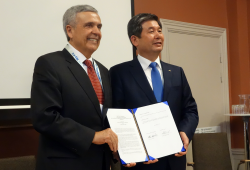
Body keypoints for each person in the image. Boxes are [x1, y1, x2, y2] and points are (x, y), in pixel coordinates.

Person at [31, 5, 118, 170]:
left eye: (99, 26)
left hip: (101, 163)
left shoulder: (104, 71)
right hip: (65, 164)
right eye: (89, 25)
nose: (96, 31)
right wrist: (92, 136)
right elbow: (44, 117)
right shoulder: (49, 64)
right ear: (69, 31)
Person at [109, 13, 199, 170]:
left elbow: (190, 110)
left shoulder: (176, 72)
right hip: (140, 162)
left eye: (159, 30)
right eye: (151, 31)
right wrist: (127, 150)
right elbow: (115, 115)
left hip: (174, 159)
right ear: (134, 40)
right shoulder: (119, 73)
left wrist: (185, 131)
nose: (158, 35)